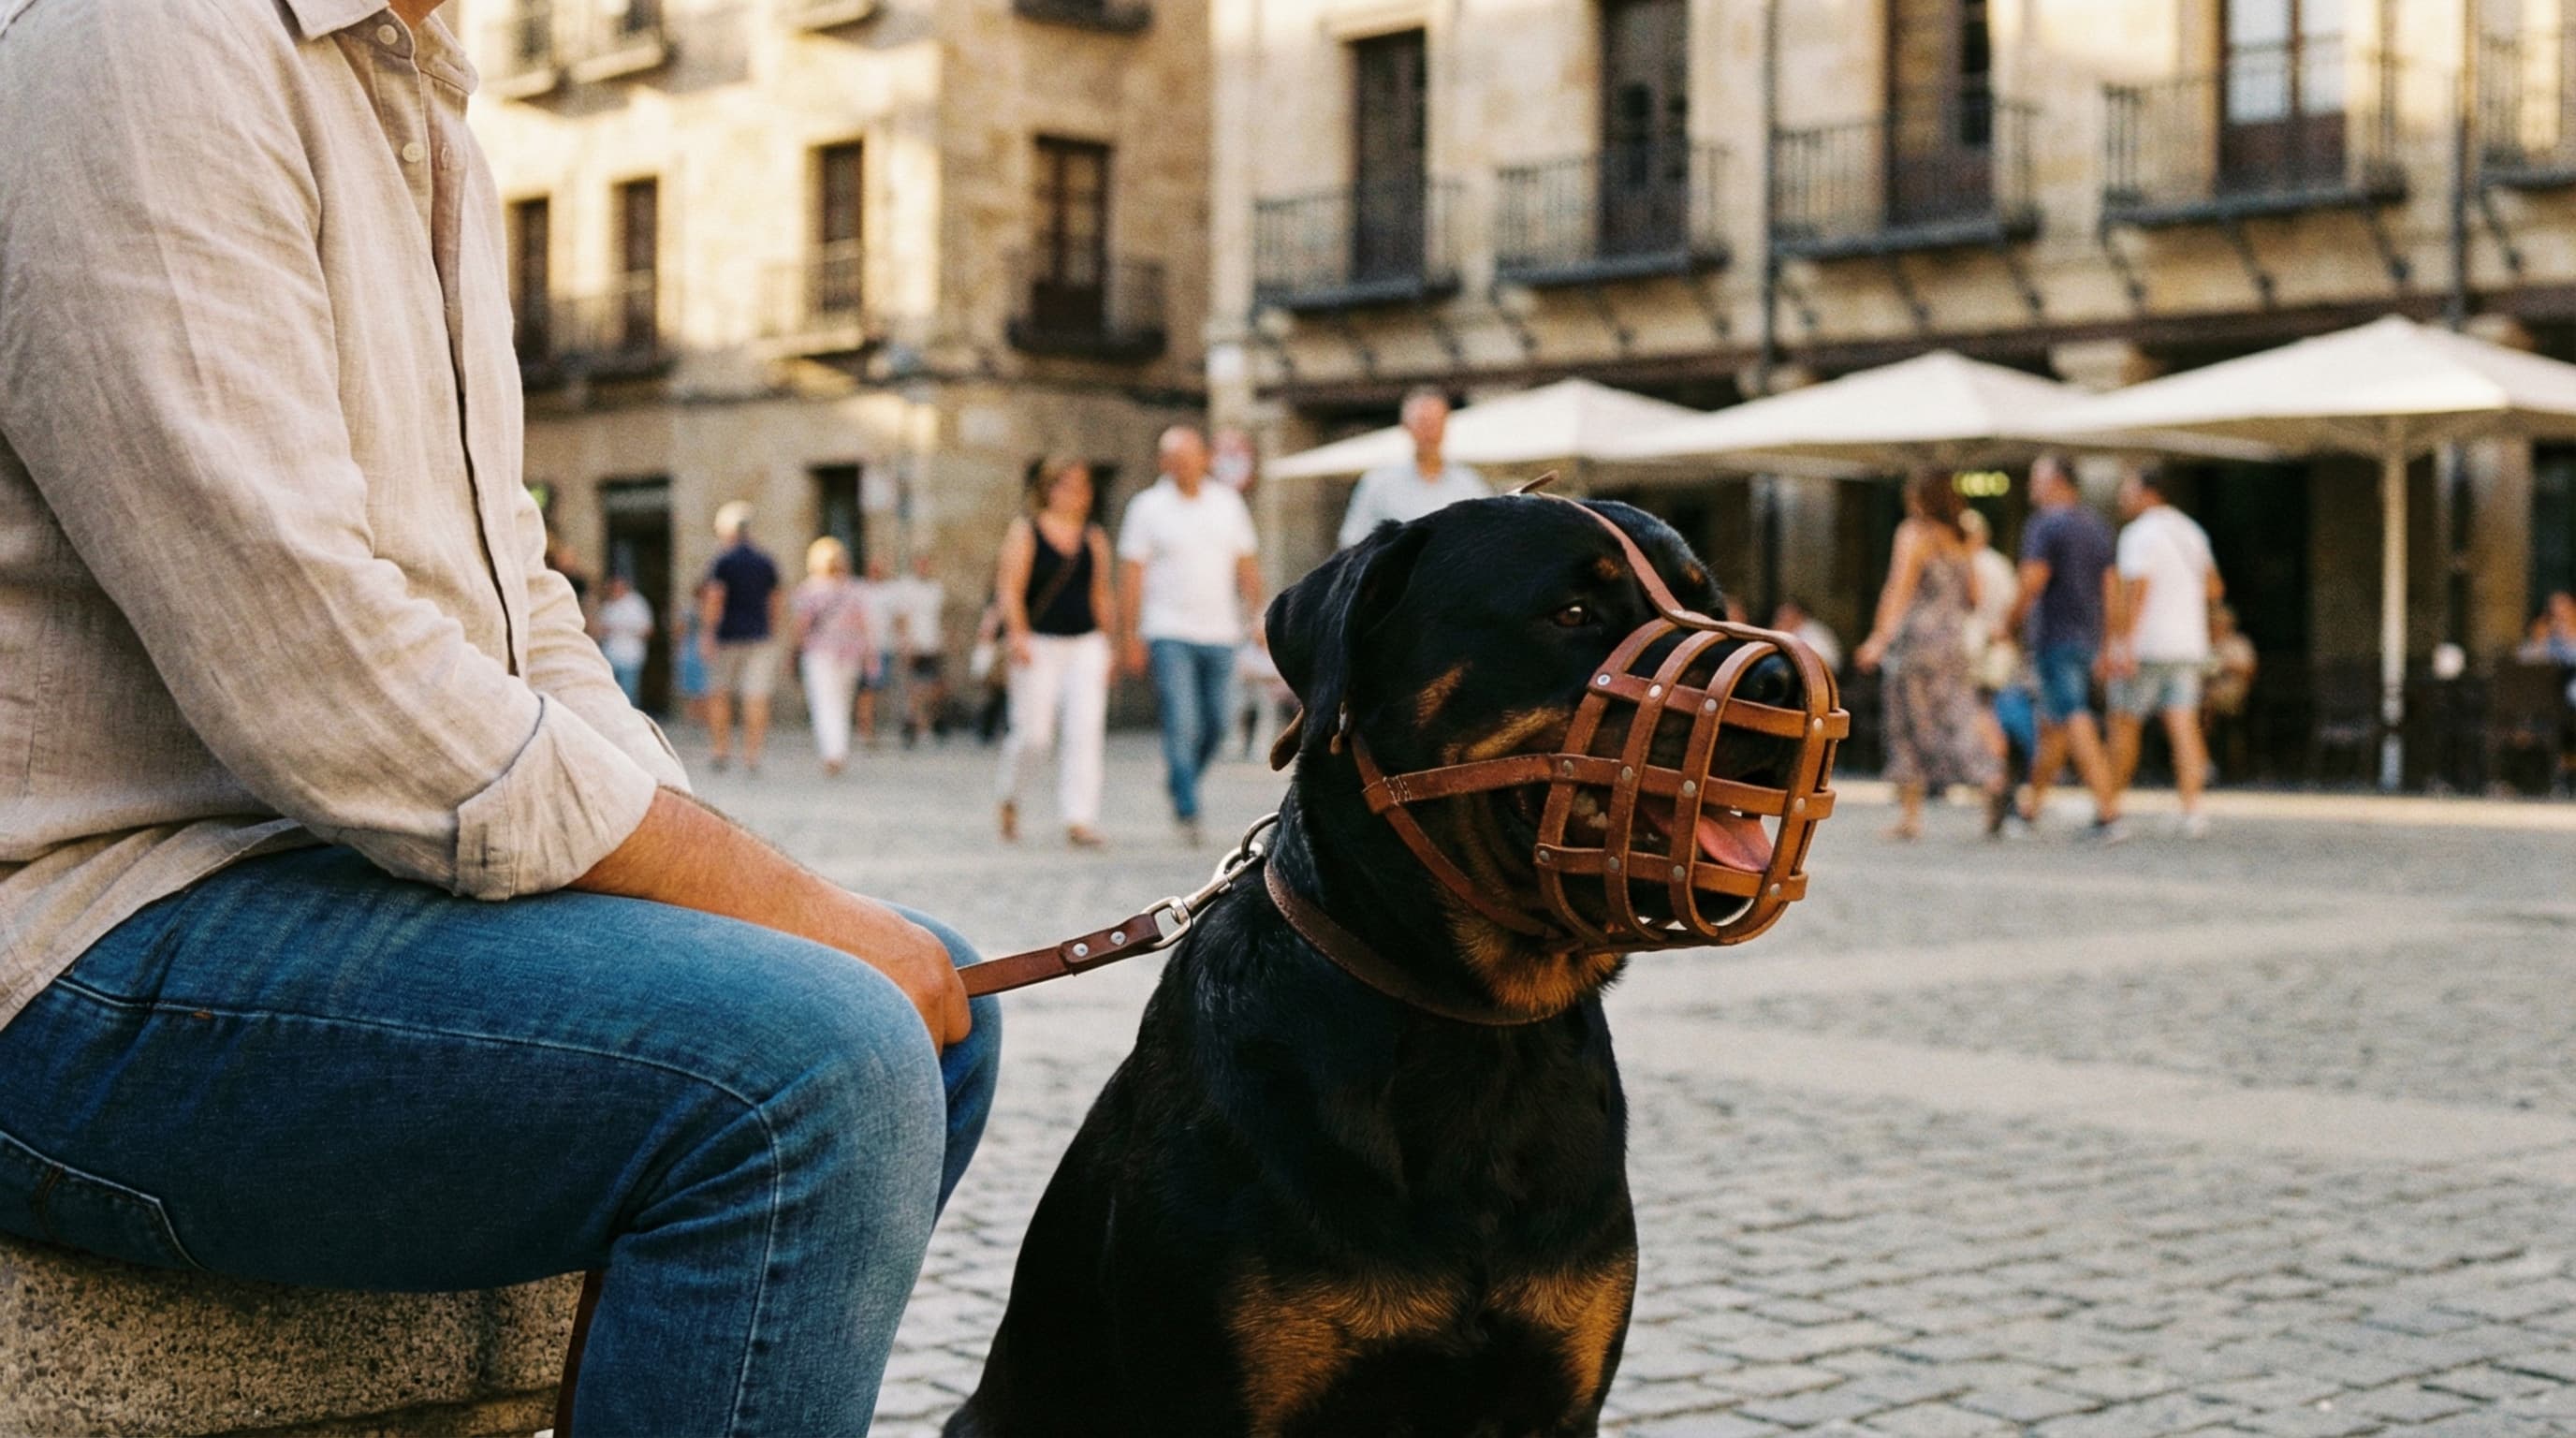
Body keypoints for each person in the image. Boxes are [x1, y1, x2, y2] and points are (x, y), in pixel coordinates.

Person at [0, 0, 995, 1428]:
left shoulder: (415, 91)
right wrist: (779, 909)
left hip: (305, 888)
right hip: (77, 951)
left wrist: (743, 888)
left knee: (932, 1002)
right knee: (820, 1069)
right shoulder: (147, 42)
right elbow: (318, 669)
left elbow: (513, 600)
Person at [1118, 426, 1265, 844]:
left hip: (1220, 631)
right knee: (1182, 722)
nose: (1182, 465)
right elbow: (1132, 576)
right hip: (1168, 631)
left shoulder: (1227, 503)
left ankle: (1182, 779)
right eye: (1173, 458)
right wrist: (1129, 635)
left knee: (1218, 724)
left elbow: (1247, 567)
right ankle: (1187, 806)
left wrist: (1259, 617)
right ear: (1163, 463)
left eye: (1189, 456)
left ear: (1204, 458)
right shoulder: (1147, 508)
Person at [1853, 472, 2008, 841]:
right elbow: (1974, 595)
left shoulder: (1913, 534)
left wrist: (1878, 638)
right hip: (1953, 643)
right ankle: (1993, 779)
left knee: (1907, 725)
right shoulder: (1961, 538)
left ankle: (1910, 817)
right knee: (1958, 716)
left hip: (1916, 643)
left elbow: (1899, 588)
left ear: (1917, 497)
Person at [994, 458, 1117, 848]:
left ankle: (1079, 818)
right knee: (1034, 735)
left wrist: (1110, 642)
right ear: (1049, 489)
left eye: (1085, 486)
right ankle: (1010, 794)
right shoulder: (1026, 531)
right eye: (1070, 485)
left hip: (1085, 644)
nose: (1080, 494)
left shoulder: (1093, 537)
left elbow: (1100, 592)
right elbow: (1010, 589)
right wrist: (1018, 636)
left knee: (1085, 731)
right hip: (1040, 643)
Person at [2009, 454, 2124, 839]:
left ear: (2058, 481)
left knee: (2073, 717)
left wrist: (2008, 622)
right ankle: (2029, 809)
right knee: (2052, 726)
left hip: (2055, 636)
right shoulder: (2096, 527)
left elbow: (2032, 580)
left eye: (2037, 478)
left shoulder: (2044, 526)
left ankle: (2108, 812)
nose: (2031, 486)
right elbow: (2111, 588)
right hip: (2087, 637)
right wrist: (2109, 641)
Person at [2103, 467, 2222, 839]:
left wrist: (2122, 643)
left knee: (2125, 722)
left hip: (2148, 645)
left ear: (2146, 492)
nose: (2122, 495)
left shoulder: (2139, 533)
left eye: (2127, 487)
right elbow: (2214, 588)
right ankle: (2192, 810)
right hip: (2187, 643)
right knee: (2183, 724)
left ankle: (2111, 806)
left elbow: (2138, 588)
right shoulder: (2190, 530)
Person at [1337, 388, 1493, 548]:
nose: (1430, 432)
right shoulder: (1378, 484)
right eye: (1422, 423)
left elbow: (1486, 539)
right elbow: (1352, 544)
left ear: (1446, 424)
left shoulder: (1469, 483)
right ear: (1406, 427)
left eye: (1435, 423)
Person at [698, 501, 783, 774]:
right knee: (756, 696)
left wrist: (707, 634)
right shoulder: (766, 561)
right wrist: (771, 629)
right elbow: (775, 601)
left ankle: (720, 750)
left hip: (727, 636)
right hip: (760, 637)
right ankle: (752, 755)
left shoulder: (723, 561)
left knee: (719, 693)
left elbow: (715, 599)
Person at [790, 536, 874, 776]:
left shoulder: (809, 591)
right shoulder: (855, 590)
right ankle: (839, 750)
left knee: (825, 703)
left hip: (820, 653)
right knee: (843, 702)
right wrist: (869, 653)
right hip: (850, 654)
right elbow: (864, 625)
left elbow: (802, 626)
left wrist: (794, 651)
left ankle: (832, 752)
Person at [892, 552, 950, 746]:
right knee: (915, 689)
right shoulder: (906, 588)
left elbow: (940, 616)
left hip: (933, 644)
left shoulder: (935, 589)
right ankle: (914, 726)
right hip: (915, 645)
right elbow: (901, 618)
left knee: (935, 688)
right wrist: (905, 643)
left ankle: (926, 724)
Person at [2203, 603, 2259, 785]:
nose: (2216, 625)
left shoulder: (2238, 643)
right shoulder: (2202, 643)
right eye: (2213, 622)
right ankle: (2202, 761)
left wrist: (2227, 666)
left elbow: (2250, 671)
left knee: (2207, 706)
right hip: (2203, 693)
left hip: (2232, 694)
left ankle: (2207, 763)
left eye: (2220, 622)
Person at [854, 554, 900, 749]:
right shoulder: (858, 590)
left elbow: (898, 619)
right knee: (867, 691)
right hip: (863, 649)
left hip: (883, 646)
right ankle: (866, 731)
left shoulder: (889, 592)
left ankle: (867, 728)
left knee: (873, 691)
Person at [590, 572, 655, 708]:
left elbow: (648, 630)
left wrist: (628, 629)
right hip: (610, 655)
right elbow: (598, 629)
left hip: (631, 656)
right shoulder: (608, 605)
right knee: (609, 691)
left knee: (628, 692)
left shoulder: (637, 604)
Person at [1768, 597, 1845, 675]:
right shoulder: (1794, 631)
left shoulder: (1812, 631)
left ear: (1797, 616)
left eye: (1783, 617)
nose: (1779, 622)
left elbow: (1824, 660)